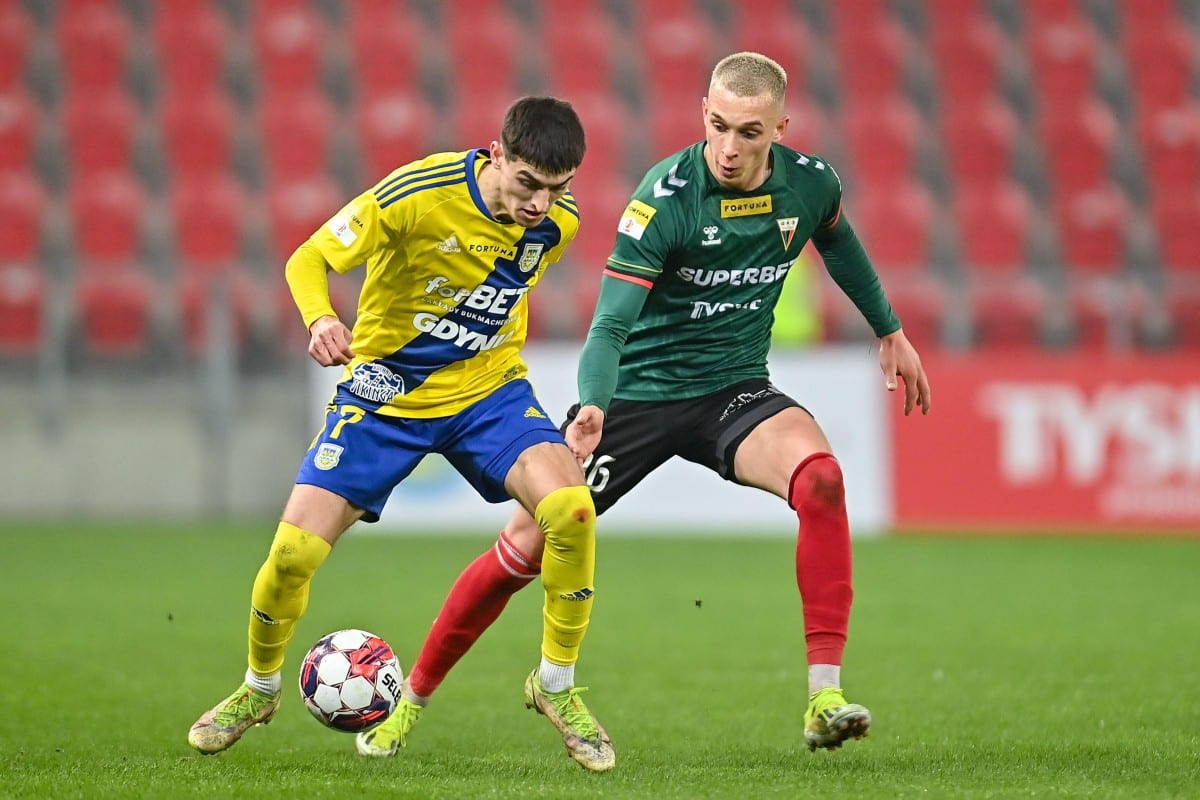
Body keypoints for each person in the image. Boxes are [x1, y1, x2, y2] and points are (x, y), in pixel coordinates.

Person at [362, 51, 932, 757]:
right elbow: (608, 327)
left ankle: (824, 695)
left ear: (781, 127)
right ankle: (411, 701)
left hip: (733, 389)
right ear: (703, 114)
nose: (728, 148)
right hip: (636, 396)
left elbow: (838, 240)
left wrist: (889, 329)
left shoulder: (811, 186)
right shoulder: (665, 198)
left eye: (749, 133)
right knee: (523, 553)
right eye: (718, 126)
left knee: (821, 479)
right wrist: (593, 404)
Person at [186, 96, 615, 773]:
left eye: (556, 189)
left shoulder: (557, 225)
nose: (540, 204)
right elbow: (308, 258)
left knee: (572, 511)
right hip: (385, 397)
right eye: (527, 183)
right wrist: (320, 320)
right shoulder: (417, 194)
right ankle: (258, 689)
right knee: (292, 556)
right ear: (495, 154)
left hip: (488, 393)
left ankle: (555, 687)